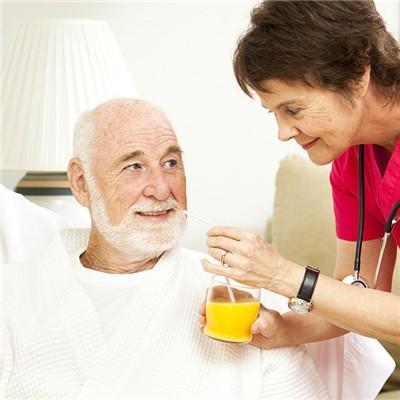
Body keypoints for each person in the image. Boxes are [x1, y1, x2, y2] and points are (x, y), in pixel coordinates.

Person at [0, 98, 329, 399]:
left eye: (171, 163)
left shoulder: (246, 302)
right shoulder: (13, 296)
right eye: (134, 167)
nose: (161, 189)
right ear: (82, 183)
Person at [200, 0, 400, 348]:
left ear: (357, 76)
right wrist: (284, 329)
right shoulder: (351, 159)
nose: (283, 133)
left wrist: (284, 275)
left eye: (293, 109)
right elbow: (357, 291)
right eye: (275, 113)